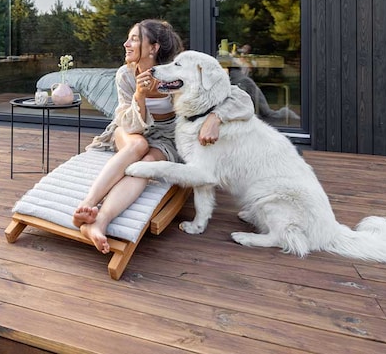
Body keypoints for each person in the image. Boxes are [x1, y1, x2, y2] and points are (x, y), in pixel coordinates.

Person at [73, 19, 255, 254]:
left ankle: (100, 221)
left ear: (153, 47)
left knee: (148, 164)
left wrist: (214, 118)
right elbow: (127, 123)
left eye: (134, 39)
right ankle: (87, 204)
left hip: (168, 135)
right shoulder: (125, 75)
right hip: (133, 131)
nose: (126, 43)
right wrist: (139, 96)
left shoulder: (177, 71)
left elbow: (241, 98)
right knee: (136, 146)